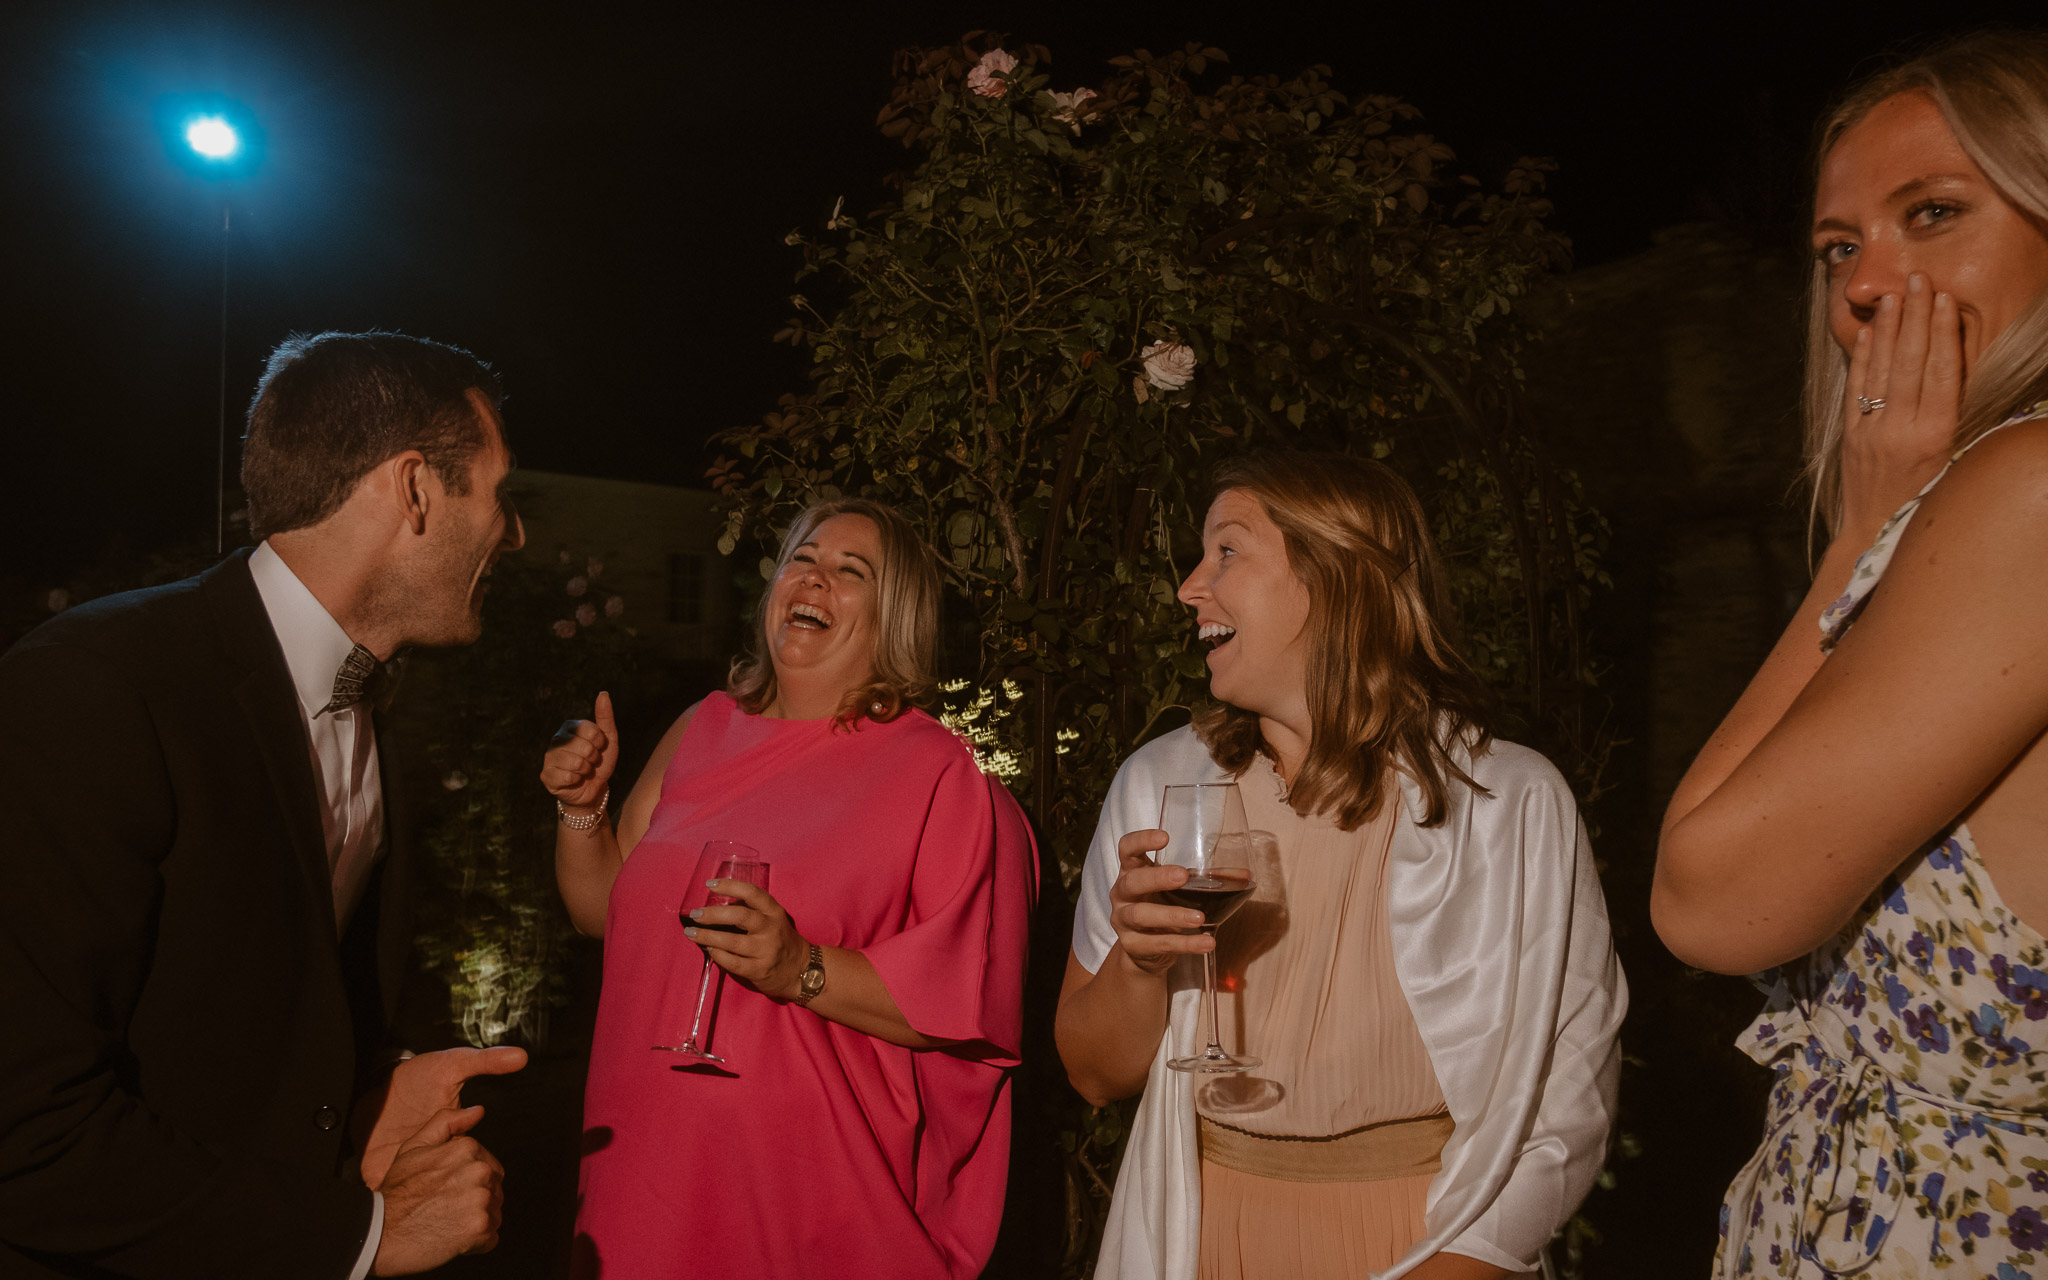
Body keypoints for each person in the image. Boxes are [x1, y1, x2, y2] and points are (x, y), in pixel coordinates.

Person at [0, 331, 529, 1278]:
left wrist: (360, 1107)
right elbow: (23, 1125)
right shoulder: (96, 687)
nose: (514, 532)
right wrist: (364, 1237)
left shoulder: (371, 704)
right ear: (413, 490)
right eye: (498, 494)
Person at [1653, 30, 2048, 1279]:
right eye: (1837, 249)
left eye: (1932, 213)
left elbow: (1707, 897)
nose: (1865, 287)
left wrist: (1861, 533)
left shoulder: (2025, 488)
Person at [1057, 452, 1626, 1280]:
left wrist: (1459, 1267)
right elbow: (1092, 1074)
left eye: (1227, 551)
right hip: (1204, 1236)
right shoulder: (1159, 787)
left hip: (1433, 1241)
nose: (1189, 587)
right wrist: (1139, 965)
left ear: (1335, 577)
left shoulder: (1511, 803)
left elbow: (1570, 1108)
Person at [544, 496, 1038, 1279]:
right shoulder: (700, 728)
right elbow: (603, 915)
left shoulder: (939, 778)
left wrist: (800, 967)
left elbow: (964, 1003)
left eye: (851, 572)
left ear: (895, 616)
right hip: (644, 1161)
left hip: (802, 1189)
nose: (814, 579)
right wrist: (582, 812)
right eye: (803, 558)